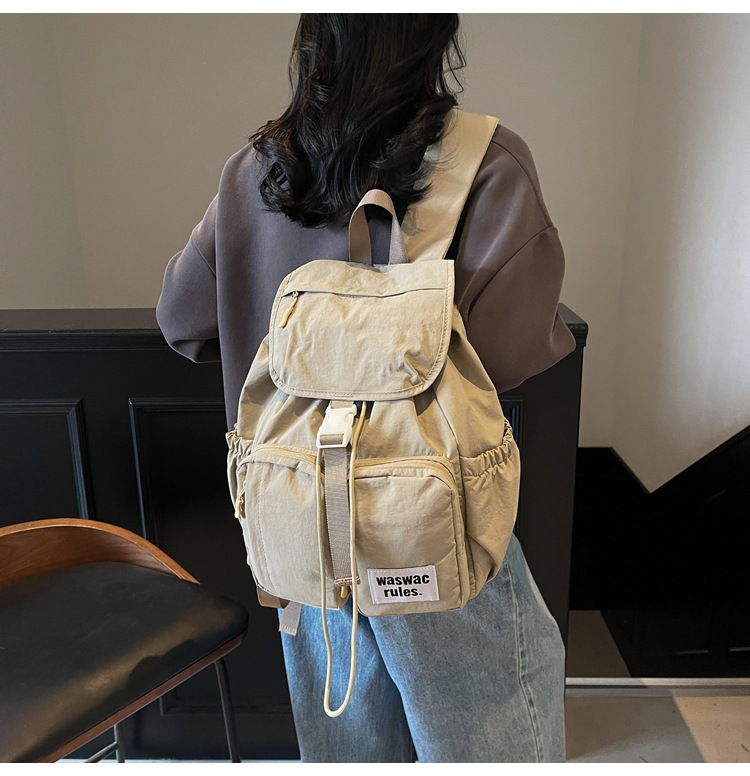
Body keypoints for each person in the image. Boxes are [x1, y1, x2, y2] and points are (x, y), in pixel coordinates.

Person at [157, 13, 575, 763]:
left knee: (346, 751)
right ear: (434, 36)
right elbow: (513, 352)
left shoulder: (256, 172)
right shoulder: (487, 164)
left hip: (303, 530)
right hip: (429, 522)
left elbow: (180, 319)